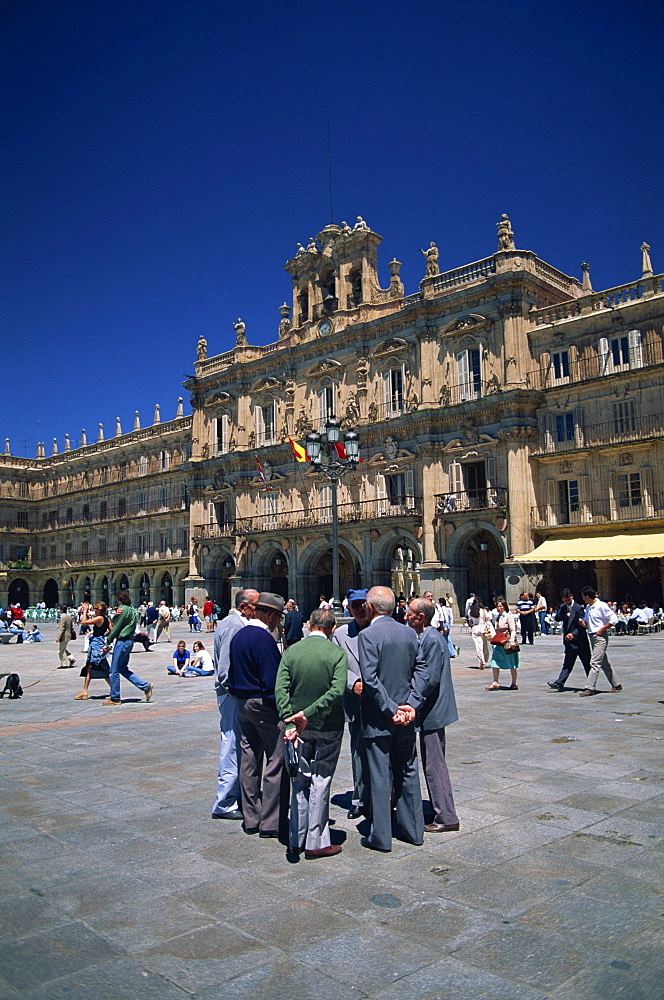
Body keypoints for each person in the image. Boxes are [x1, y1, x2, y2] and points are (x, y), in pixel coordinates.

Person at [358, 585, 429, 852]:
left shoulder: (368, 635)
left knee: (380, 777)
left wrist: (391, 710)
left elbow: (371, 680)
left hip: (380, 719)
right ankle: (414, 831)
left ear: (372, 607)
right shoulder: (409, 633)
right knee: (408, 771)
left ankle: (382, 836)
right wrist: (410, 705)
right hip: (407, 718)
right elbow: (422, 671)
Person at [276, 608, 348, 859]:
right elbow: (337, 690)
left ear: (308, 626)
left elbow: (281, 690)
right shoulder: (337, 653)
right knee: (321, 780)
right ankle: (316, 841)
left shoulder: (291, 652)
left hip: (296, 728)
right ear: (333, 628)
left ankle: (296, 838)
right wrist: (309, 712)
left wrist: (290, 721)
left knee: (300, 781)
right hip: (328, 725)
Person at [228, 592, 286, 837]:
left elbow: (231, 673)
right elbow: (272, 681)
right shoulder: (263, 639)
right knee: (275, 760)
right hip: (263, 705)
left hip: (242, 703)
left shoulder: (239, 635)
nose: (278, 623)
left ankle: (251, 817)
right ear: (271, 615)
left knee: (249, 760)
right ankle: (271, 821)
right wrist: (282, 710)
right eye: (278, 618)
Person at [406, 598, 459, 833]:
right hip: (431, 711)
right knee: (432, 761)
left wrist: (410, 703)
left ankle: (446, 816)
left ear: (422, 617)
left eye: (410, 613)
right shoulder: (427, 637)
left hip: (433, 712)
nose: (406, 616)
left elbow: (430, 678)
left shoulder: (432, 639)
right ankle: (440, 809)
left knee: (434, 764)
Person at [211, 588, 260, 822]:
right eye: (255, 606)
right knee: (231, 743)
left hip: (232, 693)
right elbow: (224, 668)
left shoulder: (232, 622)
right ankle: (225, 802)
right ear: (243, 607)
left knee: (235, 743)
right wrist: (234, 690)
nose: (258, 610)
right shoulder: (234, 626)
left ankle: (235, 794)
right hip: (231, 694)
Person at [332, 588, 371, 820]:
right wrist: (353, 683)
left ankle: (384, 795)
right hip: (355, 700)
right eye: (355, 605)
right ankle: (359, 799)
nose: (359, 609)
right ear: (348, 608)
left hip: (380, 701)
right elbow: (337, 665)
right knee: (358, 750)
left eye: (363, 604)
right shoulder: (341, 634)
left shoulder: (380, 630)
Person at [101, 590, 154, 706]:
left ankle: (115, 698)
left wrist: (107, 642)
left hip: (122, 642)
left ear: (119, 599)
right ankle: (145, 686)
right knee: (123, 669)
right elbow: (121, 622)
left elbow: (116, 628)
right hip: (129, 642)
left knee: (113, 671)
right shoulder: (131, 609)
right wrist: (115, 616)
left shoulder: (122, 609)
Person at [579, 587, 621, 696]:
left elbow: (614, 619)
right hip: (591, 636)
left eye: (583, 596)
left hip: (600, 637)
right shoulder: (588, 607)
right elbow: (587, 621)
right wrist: (583, 624)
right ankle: (616, 684)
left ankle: (589, 687)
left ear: (587, 596)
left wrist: (602, 629)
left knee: (595, 662)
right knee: (603, 662)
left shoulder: (601, 606)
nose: (583, 599)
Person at [548, 589, 591, 690]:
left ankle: (591, 683)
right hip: (569, 641)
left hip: (580, 641)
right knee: (567, 663)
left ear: (572, 596)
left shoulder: (578, 608)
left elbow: (582, 625)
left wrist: (573, 634)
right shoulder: (563, 607)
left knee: (587, 663)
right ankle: (560, 682)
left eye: (568, 600)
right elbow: (557, 617)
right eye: (565, 600)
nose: (567, 602)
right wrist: (565, 616)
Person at [75, 602, 111, 700]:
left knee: (103, 667)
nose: (94, 610)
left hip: (97, 645)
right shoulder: (107, 619)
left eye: (96, 609)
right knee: (89, 667)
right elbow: (111, 630)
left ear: (100, 610)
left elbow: (84, 622)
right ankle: (84, 691)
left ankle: (114, 690)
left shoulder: (100, 618)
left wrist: (85, 610)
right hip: (96, 643)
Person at [485, 597, 520, 690]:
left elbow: (513, 630)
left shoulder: (509, 616)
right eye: (497, 606)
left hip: (507, 641)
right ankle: (495, 681)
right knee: (494, 660)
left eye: (501, 606)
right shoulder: (498, 617)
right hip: (499, 641)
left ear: (504, 607)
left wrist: (512, 640)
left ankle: (514, 683)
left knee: (512, 662)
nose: (499, 608)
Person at [468, 597, 491, 669]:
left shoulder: (471, 611)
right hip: (483, 628)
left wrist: (473, 625)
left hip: (475, 628)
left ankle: (482, 661)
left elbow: (470, 621)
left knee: (478, 646)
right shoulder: (483, 610)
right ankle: (485, 658)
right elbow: (487, 619)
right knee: (484, 645)